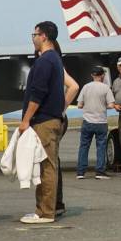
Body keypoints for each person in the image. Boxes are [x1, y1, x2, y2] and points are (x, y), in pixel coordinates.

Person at [18, 21, 66, 224]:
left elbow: (37, 94)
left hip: (44, 121)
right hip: (51, 118)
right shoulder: (55, 59)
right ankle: (44, 209)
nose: (33, 38)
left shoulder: (45, 61)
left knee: (46, 167)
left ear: (44, 36)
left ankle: (45, 212)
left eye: (34, 34)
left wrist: (26, 120)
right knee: (47, 166)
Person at [77, 66, 116, 180]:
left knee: (84, 146)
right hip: (101, 122)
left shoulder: (86, 87)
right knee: (101, 147)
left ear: (92, 75)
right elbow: (111, 105)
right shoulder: (106, 88)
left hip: (87, 121)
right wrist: (103, 106)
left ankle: (81, 172)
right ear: (102, 75)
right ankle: (99, 171)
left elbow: (79, 105)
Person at [52, 68, 80, 218]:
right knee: (52, 159)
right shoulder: (53, 65)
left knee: (50, 161)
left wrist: (59, 109)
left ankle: (53, 204)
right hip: (57, 117)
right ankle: (55, 203)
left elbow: (74, 87)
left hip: (53, 117)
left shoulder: (53, 66)